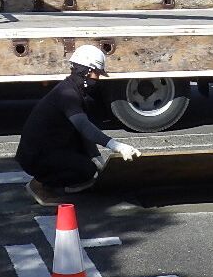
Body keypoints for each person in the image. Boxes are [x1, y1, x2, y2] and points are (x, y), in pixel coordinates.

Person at [16, 44, 140, 199]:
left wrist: (99, 164)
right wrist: (116, 145)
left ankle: (55, 178)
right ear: (86, 70)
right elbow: (83, 126)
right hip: (35, 155)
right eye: (96, 73)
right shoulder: (67, 94)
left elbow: (83, 136)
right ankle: (40, 184)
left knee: (89, 168)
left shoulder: (75, 91)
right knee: (85, 171)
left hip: (46, 148)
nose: (98, 78)